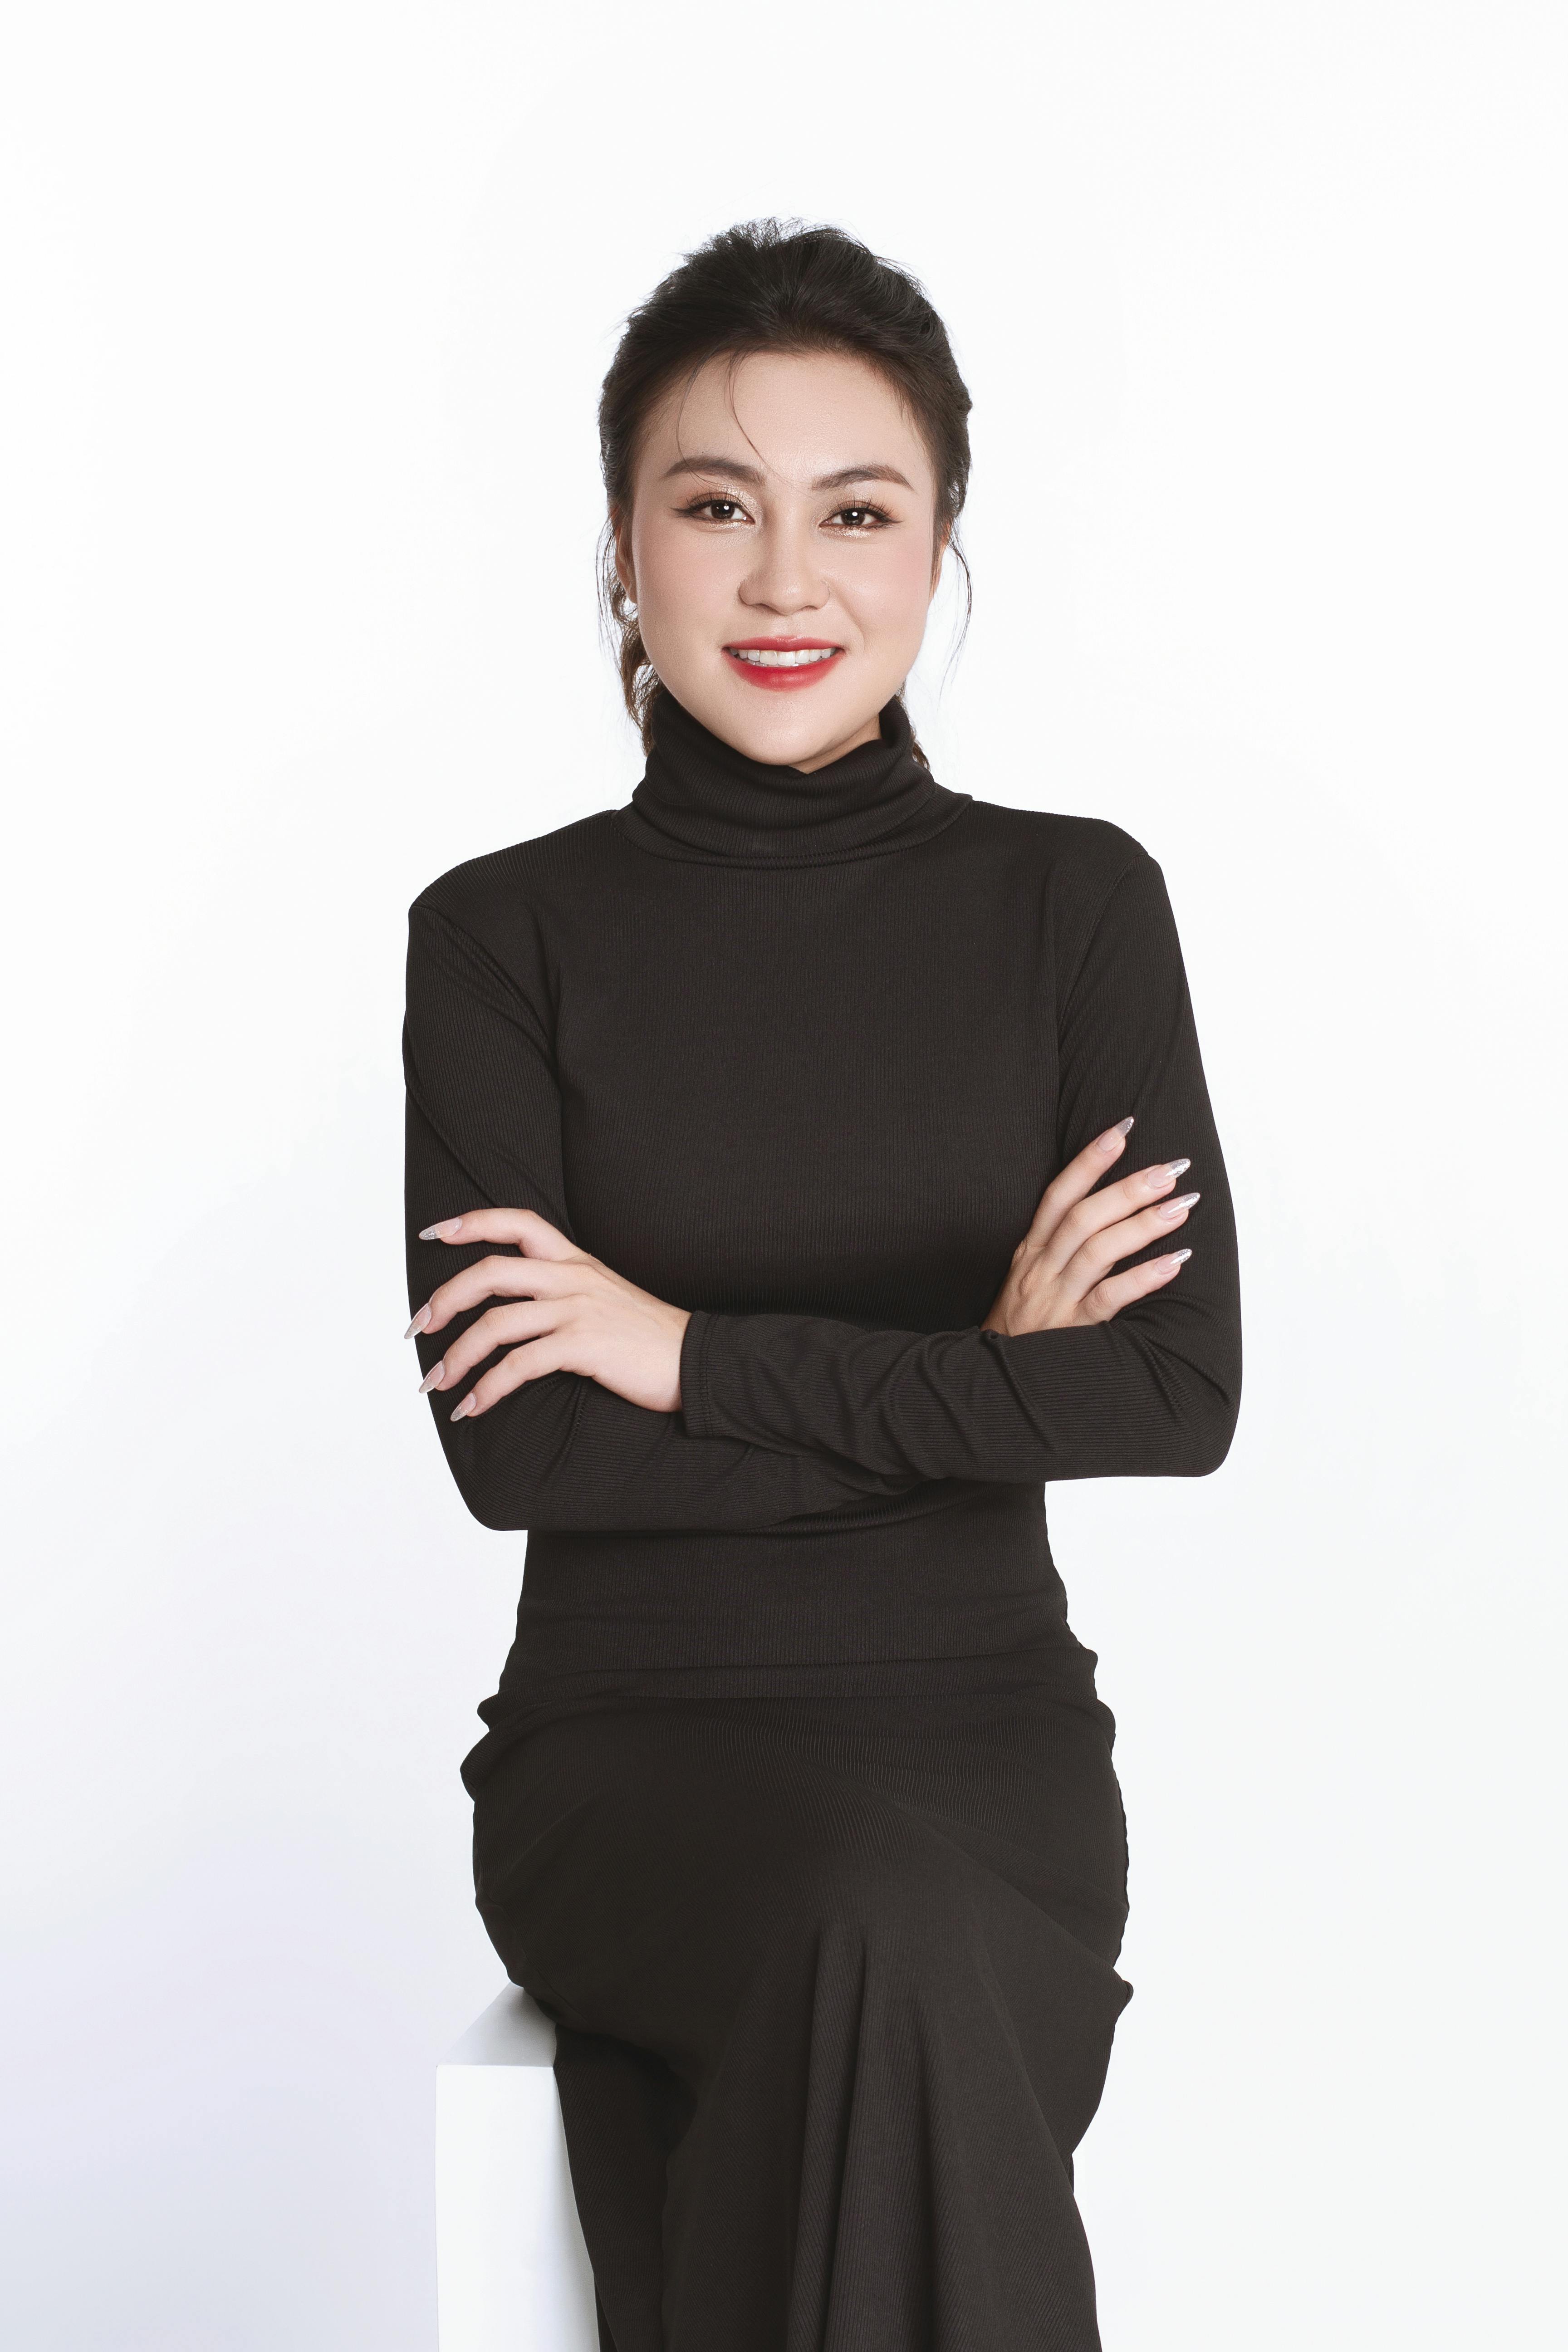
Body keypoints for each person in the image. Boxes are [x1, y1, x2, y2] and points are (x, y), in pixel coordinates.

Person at [402, 216, 1242, 2352]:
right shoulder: (503, 941)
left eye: (856, 513)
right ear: (622, 546)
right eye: (718, 507)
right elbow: (521, 1459)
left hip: (988, 1759)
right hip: (632, 1760)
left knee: (902, 1932)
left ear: (940, 544)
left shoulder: (1075, 906)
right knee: (868, 1938)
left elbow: (1167, 1400)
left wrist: (677, 1354)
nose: (788, 582)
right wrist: (975, 1383)